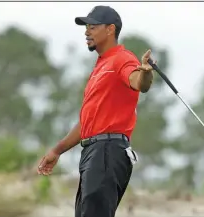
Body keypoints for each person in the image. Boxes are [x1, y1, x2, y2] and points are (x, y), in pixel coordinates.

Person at [37, 5, 154, 217]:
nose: (86, 32)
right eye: (86, 27)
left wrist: (145, 73)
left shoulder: (122, 58)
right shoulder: (101, 66)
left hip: (108, 151)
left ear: (110, 29)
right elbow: (88, 123)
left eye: (92, 27)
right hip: (93, 152)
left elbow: (138, 82)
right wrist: (57, 151)